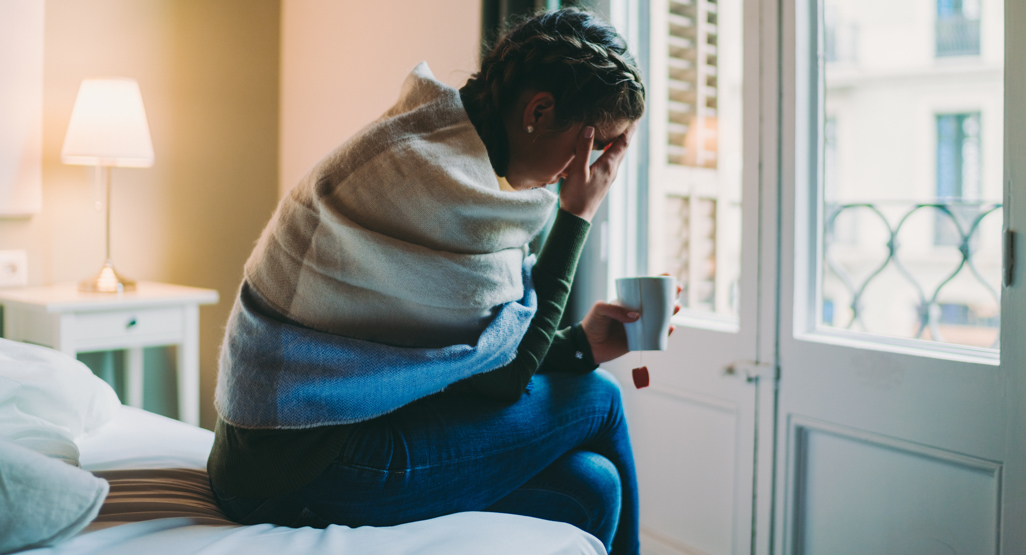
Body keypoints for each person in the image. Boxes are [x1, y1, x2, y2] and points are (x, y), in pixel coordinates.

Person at [208, 9, 670, 555]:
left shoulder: (432, 147)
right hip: (297, 468)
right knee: (601, 399)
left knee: (594, 485)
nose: (590, 170)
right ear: (539, 110)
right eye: (594, 145)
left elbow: (463, 366)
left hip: (286, 451)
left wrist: (579, 346)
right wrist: (577, 215)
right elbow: (505, 379)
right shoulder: (436, 181)